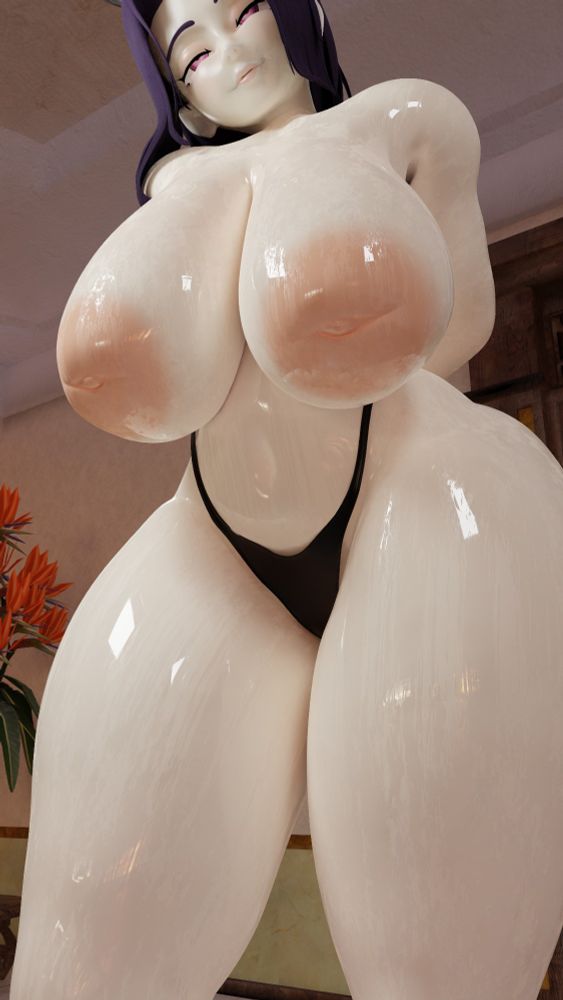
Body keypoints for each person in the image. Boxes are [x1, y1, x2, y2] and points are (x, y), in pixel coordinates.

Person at [11, 2, 563, 998]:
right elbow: (150, 377)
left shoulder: (407, 118)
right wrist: (210, 190)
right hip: (213, 540)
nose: (226, 53)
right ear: (176, 93)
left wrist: (325, 177)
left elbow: (461, 325)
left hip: (420, 496)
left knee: (438, 954)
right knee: (86, 946)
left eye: (241, 11)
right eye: (190, 53)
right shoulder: (175, 186)